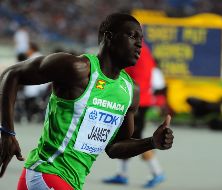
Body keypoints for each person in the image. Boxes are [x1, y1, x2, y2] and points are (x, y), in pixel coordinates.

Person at [0, 13, 174, 190]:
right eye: (132, 36)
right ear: (109, 36)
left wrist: (151, 142)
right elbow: (11, 75)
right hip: (47, 174)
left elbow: (114, 148)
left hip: (73, 182)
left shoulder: (130, 91)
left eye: (141, 38)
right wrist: (7, 132)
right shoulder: (77, 68)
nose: (139, 44)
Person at [103, 41, 166, 188]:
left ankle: (157, 172)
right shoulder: (140, 48)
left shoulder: (134, 49)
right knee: (124, 136)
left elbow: (132, 78)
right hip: (138, 99)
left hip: (136, 100)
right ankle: (122, 174)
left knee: (135, 139)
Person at [23, 42, 50, 122]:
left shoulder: (34, 57)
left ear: (32, 49)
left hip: (37, 86)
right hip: (39, 85)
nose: (26, 51)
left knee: (30, 100)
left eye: (27, 49)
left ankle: (32, 114)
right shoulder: (38, 56)